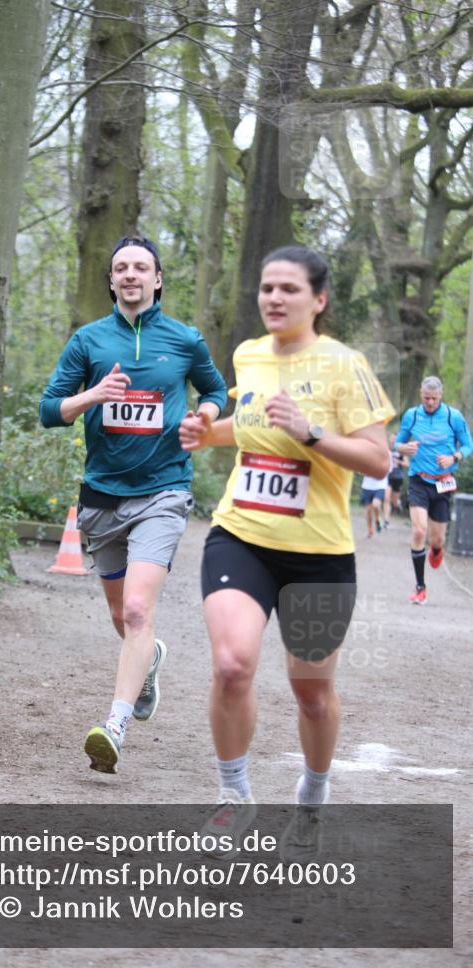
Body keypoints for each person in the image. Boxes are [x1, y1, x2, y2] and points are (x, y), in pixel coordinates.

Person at [179, 245, 394, 860]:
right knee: (231, 665)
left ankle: (312, 796)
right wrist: (207, 434)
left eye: (289, 289)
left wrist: (312, 432)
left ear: (318, 300)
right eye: (267, 287)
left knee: (312, 693)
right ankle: (234, 795)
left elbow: (377, 458)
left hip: (318, 555)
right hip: (241, 534)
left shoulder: (344, 366)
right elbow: (252, 424)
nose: (274, 298)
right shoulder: (249, 355)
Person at [40, 234, 227, 774]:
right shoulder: (89, 341)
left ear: (157, 279)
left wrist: (205, 418)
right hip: (102, 495)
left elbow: (216, 391)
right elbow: (50, 410)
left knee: (140, 610)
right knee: (123, 616)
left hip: (164, 491)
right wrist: (93, 396)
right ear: (111, 279)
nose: (130, 274)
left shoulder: (185, 340)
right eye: (121, 267)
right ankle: (150, 660)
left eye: (140, 267)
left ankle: (114, 725)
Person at [394, 376, 472, 605]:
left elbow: (468, 445)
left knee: (437, 540)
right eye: (426, 398)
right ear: (421, 394)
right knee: (419, 531)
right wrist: (404, 447)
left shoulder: (452, 416)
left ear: (441, 395)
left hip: (443, 483)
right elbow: (398, 443)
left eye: (434, 399)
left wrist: (453, 457)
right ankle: (420, 587)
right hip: (418, 480)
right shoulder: (412, 415)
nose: (430, 403)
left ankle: (437, 550)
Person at [384, 433, 409, 518]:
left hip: (398, 477)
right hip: (388, 475)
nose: (393, 440)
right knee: (386, 498)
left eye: (395, 439)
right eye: (392, 438)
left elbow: (407, 464)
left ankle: (397, 504)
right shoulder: (387, 449)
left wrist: (398, 462)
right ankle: (386, 520)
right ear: (389, 439)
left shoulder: (401, 450)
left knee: (394, 501)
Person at [360, 471, 389, 536]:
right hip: (367, 487)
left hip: (380, 486)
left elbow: (386, 471)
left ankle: (377, 519)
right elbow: (360, 471)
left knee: (376, 505)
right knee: (368, 511)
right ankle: (370, 528)